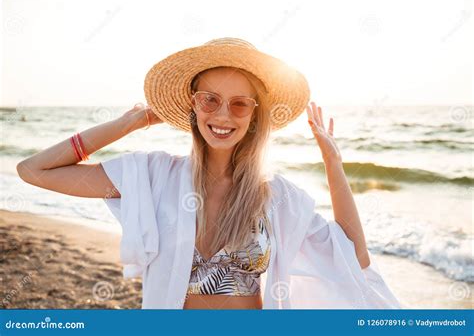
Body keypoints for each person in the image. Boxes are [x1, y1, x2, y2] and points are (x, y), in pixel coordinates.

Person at [17, 37, 402, 310]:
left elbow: (354, 258)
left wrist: (333, 163)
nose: (222, 115)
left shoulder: (276, 196)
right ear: (193, 105)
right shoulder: (153, 176)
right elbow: (34, 170)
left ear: (254, 117)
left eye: (239, 104)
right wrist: (128, 123)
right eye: (210, 100)